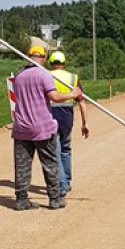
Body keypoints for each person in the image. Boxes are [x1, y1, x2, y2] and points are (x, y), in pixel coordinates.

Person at [11, 44, 82, 211]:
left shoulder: (19, 76)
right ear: (43, 58)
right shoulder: (44, 74)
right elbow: (54, 97)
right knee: (50, 163)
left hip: (22, 127)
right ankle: (55, 199)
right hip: (42, 127)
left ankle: (21, 199)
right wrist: (72, 95)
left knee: (22, 166)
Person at [48, 51, 89, 196]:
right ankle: (67, 180)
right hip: (67, 117)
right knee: (66, 149)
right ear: (64, 64)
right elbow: (82, 102)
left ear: (51, 63)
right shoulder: (73, 77)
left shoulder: (46, 76)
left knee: (55, 151)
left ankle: (62, 184)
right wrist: (85, 123)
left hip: (51, 116)